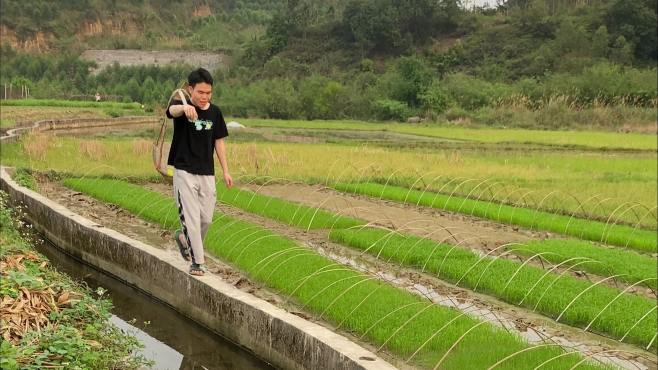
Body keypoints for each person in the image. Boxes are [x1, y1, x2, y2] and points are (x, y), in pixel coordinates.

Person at [166, 68, 233, 276]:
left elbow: (219, 142)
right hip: (184, 171)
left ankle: (185, 240)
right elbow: (171, 111)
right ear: (190, 89)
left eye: (208, 93)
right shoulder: (182, 107)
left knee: (206, 220)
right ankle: (197, 263)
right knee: (192, 218)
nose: (204, 97)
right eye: (200, 92)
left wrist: (226, 171)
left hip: (207, 172)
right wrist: (184, 109)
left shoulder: (215, 112)